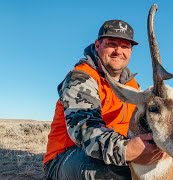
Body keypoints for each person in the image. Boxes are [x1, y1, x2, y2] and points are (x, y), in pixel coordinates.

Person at [43, 20, 164, 180]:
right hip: (67, 157)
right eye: (112, 44)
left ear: (131, 51)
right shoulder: (81, 78)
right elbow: (86, 131)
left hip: (114, 149)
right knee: (119, 172)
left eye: (125, 46)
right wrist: (128, 151)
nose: (118, 51)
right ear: (97, 44)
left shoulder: (132, 85)